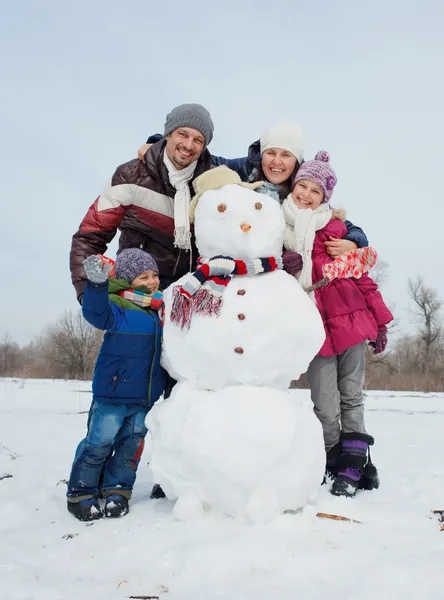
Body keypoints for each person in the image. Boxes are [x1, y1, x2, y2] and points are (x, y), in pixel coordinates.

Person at [282, 151, 393, 498]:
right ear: (293, 186)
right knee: (325, 402)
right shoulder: (279, 228)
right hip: (313, 327)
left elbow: (363, 278)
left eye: (316, 190)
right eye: (303, 185)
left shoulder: (338, 231)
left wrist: (381, 322)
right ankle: (331, 456)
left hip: (351, 322)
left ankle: (353, 464)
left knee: (351, 396)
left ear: (325, 198)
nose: (307, 194)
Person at [138, 122, 368, 258]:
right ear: (262, 154)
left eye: (286, 155)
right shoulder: (242, 169)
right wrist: (159, 144)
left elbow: (337, 222)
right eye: (271, 153)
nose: (277, 162)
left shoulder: (300, 190)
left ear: (296, 162)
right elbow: (202, 159)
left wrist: (354, 242)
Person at [70, 103, 215, 303]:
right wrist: (88, 295)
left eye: (198, 140)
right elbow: (90, 237)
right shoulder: (130, 176)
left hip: (188, 292)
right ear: (168, 134)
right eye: (183, 134)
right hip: (137, 290)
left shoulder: (211, 184)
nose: (189, 145)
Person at [66, 248, 166, 521]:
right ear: (127, 280)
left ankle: (118, 491)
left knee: (130, 446)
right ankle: (81, 492)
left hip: (144, 397)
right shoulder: (117, 305)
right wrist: (96, 284)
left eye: (154, 275)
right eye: (143, 276)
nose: (151, 281)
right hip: (113, 393)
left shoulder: (159, 310)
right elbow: (94, 313)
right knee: (98, 443)